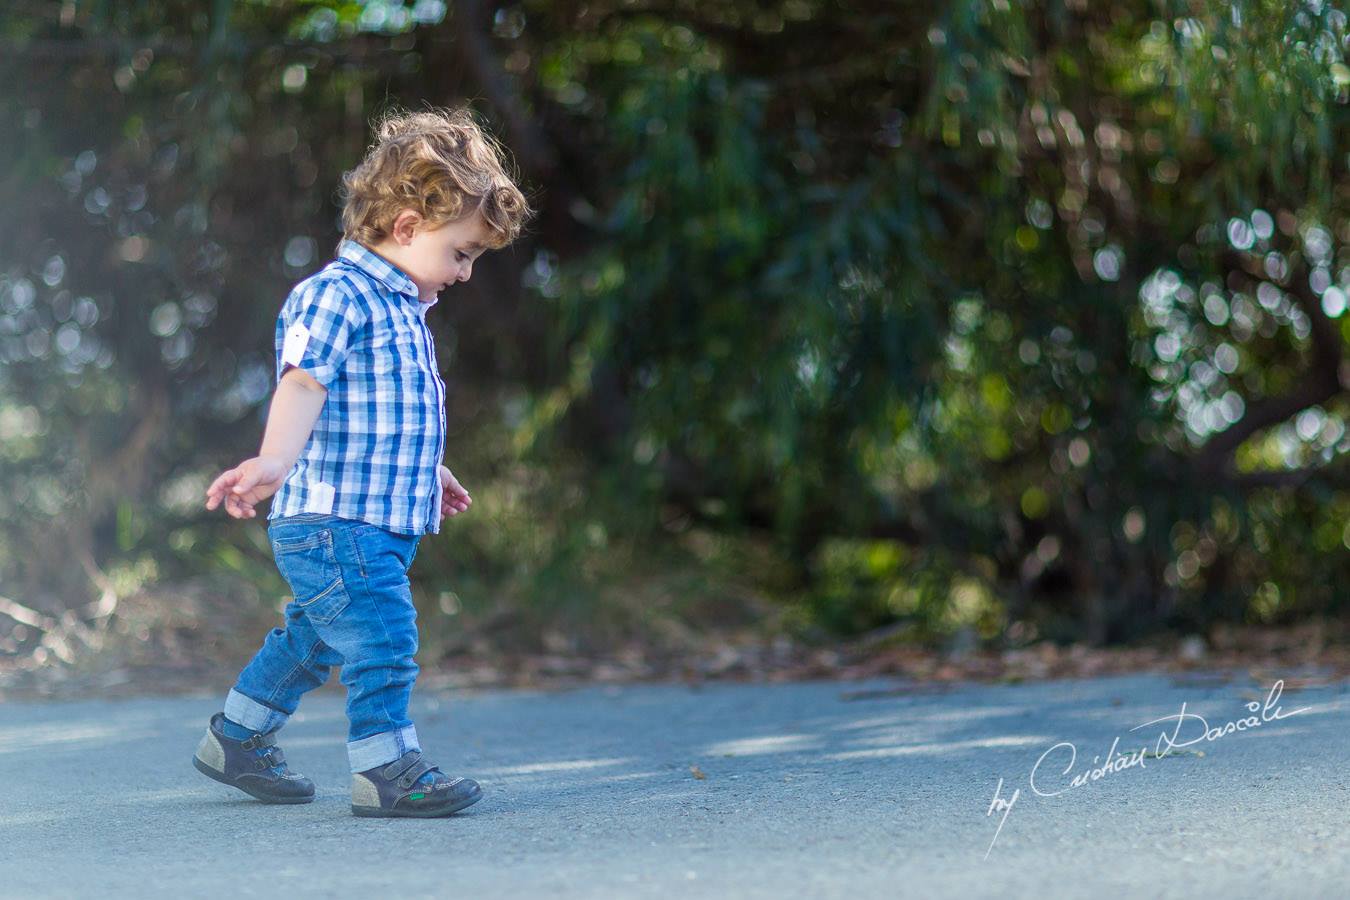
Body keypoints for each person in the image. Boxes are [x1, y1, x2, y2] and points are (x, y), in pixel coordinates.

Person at [196, 106, 532, 817]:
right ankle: (386, 769)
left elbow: (384, 420)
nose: (466, 273)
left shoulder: (404, 310)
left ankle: (237, 736)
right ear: (407, 227)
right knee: (384, 635)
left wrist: (429, 471)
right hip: (334, 523)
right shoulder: (337, 296)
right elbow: (303, 383)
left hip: (363, 522)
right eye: (462, 252)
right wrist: (273, 461)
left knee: (314, 639)